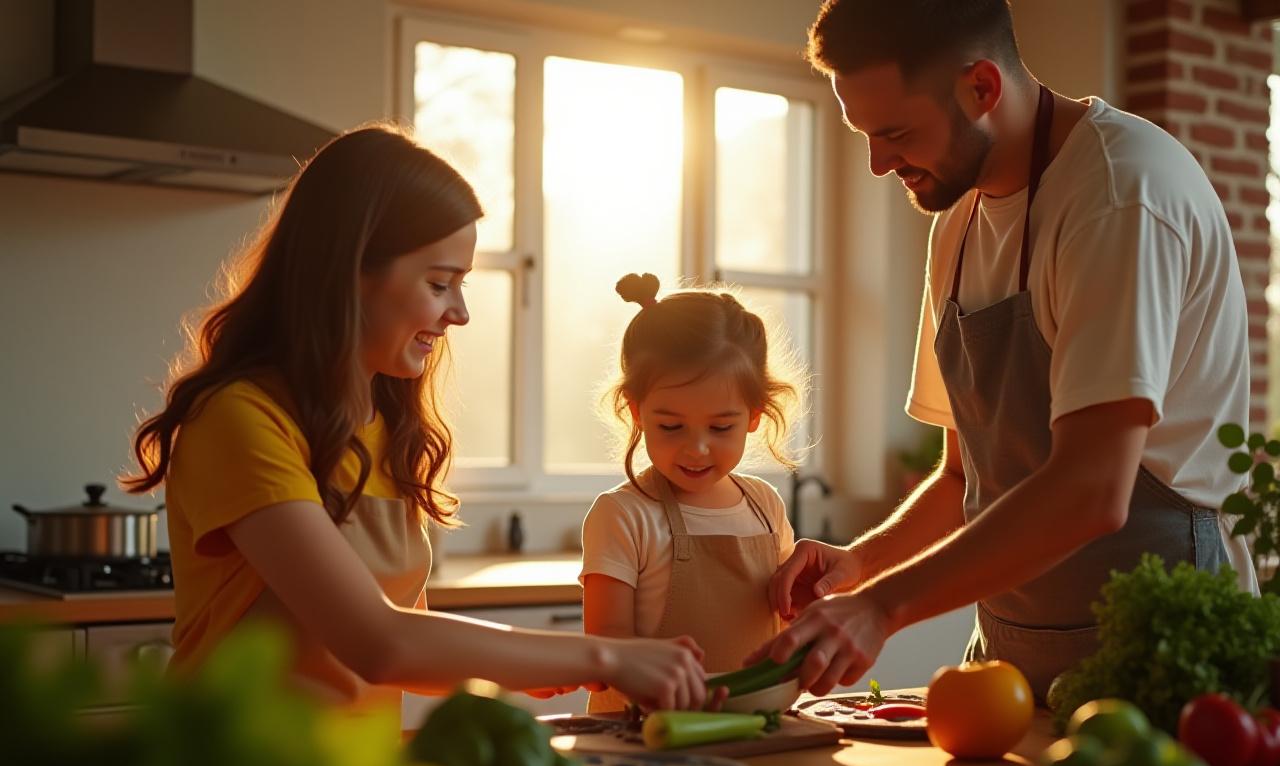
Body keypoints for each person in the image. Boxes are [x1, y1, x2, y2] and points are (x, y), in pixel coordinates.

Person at [750, 0, 1254, 702]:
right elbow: (967, 479)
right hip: (1015, 655)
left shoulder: (1117, 193)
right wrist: (859, 565)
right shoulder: (957, 221)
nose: (876, 163)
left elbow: (1091, 490)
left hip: (1162, 656)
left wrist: (882, 608)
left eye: (895, 132)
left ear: (981, 88)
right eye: (864, 134)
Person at [121, 125, 710, 712]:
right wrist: (604, 655)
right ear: (349, 272)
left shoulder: (384, 427)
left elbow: (412, 642)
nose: (459, 313)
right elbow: (378, 643)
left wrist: (519, 666)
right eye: (439, 283)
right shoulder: (240, 420)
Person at [580, 274, 801, 711]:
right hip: (642, 739)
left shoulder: (765, 506)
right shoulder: (623, 515)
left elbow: (786, 620)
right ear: (635, 409)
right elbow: (606, 650)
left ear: (754, 416)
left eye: (721, 427)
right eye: (671, 426)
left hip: (752, 726)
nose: (697, 448)